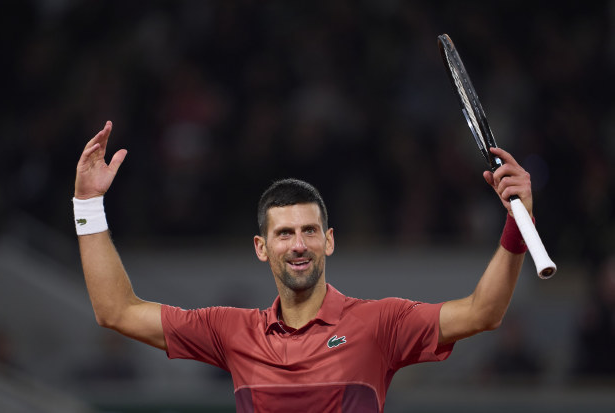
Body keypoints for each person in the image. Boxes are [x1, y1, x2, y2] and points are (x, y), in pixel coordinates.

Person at [73, 121, 534, 412]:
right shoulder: (230, 331)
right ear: (261, 247)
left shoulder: (380, 324)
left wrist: (517, 224)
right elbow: (115, 310)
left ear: (329, 241)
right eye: (285, 233)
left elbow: (482, 312)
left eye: (310, 231)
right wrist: (89, 204)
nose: (299, 245)